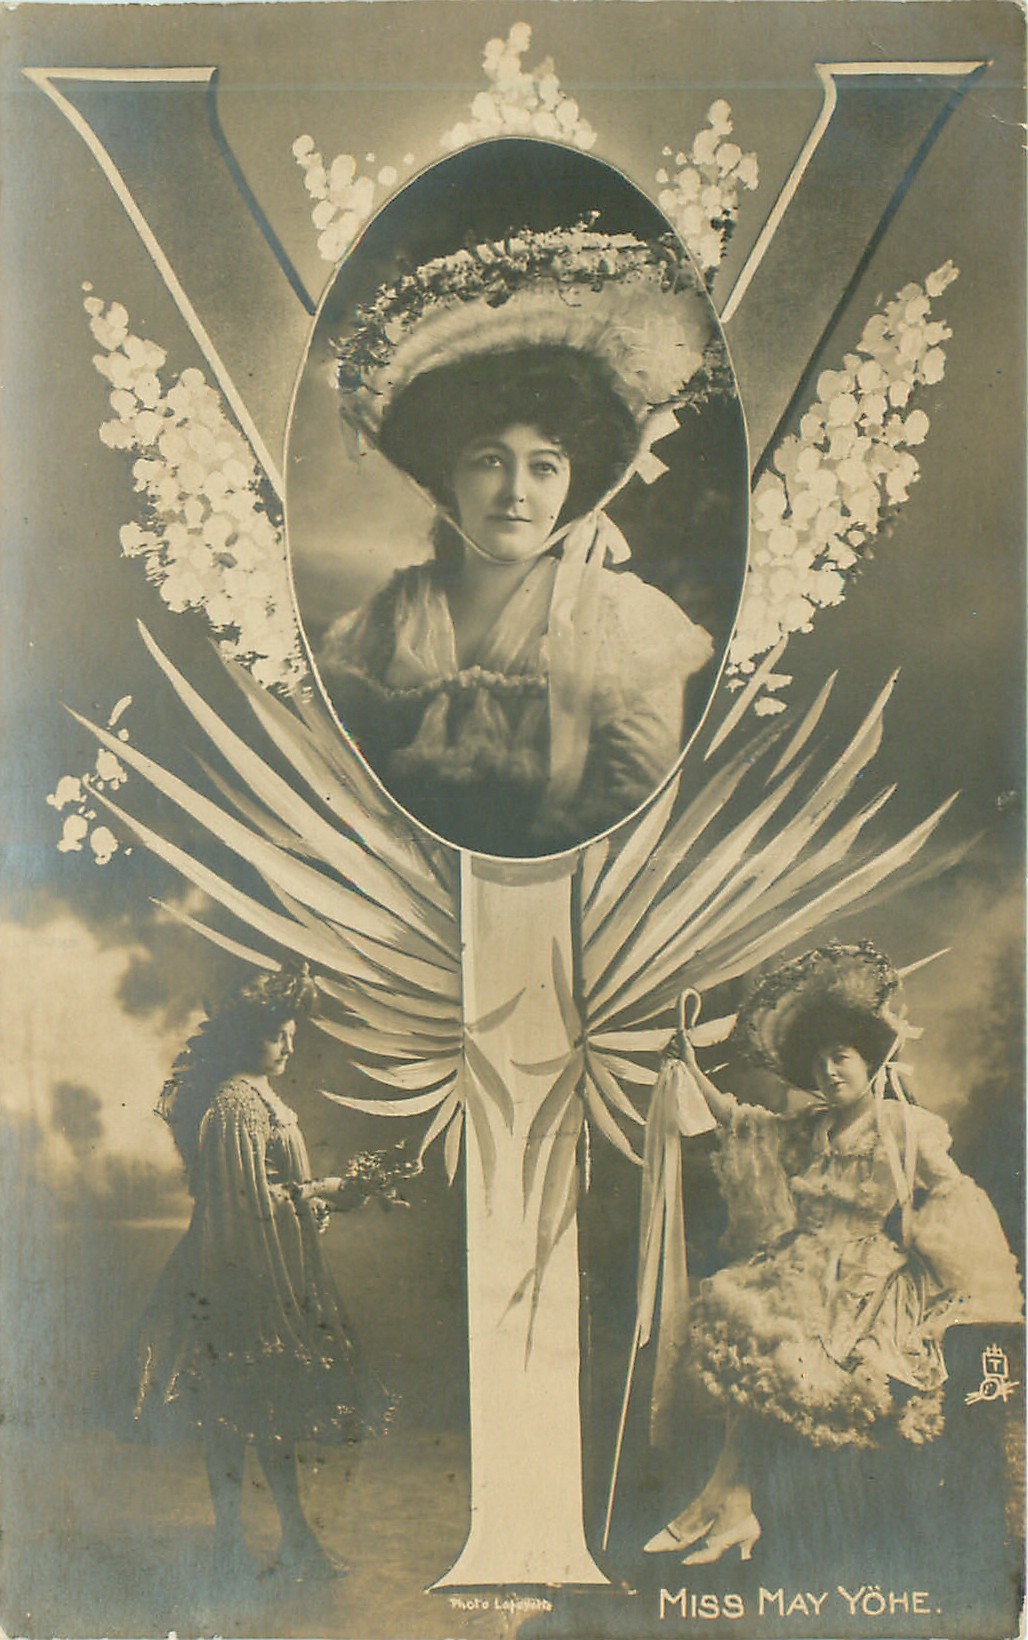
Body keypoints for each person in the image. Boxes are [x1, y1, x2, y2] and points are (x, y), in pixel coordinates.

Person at [320, 222, 734, 856]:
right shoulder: (380, 624)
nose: (516, 492)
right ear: (447, 473)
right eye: (490, 460)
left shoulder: (622, 623)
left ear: (575, 482)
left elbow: (634, 816)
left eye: (544, 467)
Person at [642, 941, 1023, 1565]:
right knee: (744, 1332)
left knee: (783, 1348)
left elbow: (957, 1200)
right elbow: (741, 1121)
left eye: (841, 1057)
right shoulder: (810, 1126)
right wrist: (689, 1066)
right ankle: (731, 1506)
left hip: (868, 1286)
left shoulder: (904, 1126)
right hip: (799, 1268)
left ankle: (720, 1505)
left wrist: (964, 1294)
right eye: (818, 1063)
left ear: (869, 1059)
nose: (830, 1073)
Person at [118, 964, 403, 1581]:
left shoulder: (261, 1098)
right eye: (278, 1035)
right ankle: (231, 1545)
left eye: (292, 1034)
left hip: (269, 1265)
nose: (290, 1045)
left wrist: (335, 1193)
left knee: (267, 1411)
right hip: (235, 1275)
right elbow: (242, 1204)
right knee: (233, 1411)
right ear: (248, 1036)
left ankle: (293, 1538)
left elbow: (277, 1190)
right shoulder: (236, 1105)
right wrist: (320, 1191)